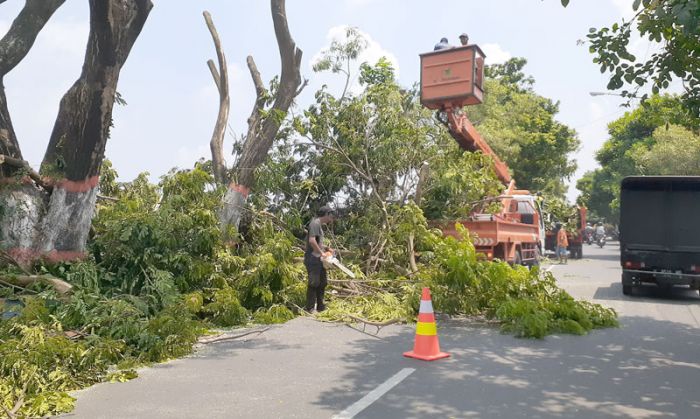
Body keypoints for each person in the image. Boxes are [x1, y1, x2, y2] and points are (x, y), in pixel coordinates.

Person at [304, 205, 335, 312]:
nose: (331, 218)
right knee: (314, 282)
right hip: (312, 258)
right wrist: (322, 253)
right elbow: (312, 241)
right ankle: (310, 307)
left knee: (323, 282)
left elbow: (318, 242)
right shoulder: (314, 223)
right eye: (331, 215)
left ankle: (321, 306)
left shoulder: (319, 226)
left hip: (319, 258)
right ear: (326, 214)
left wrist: (327, 248)